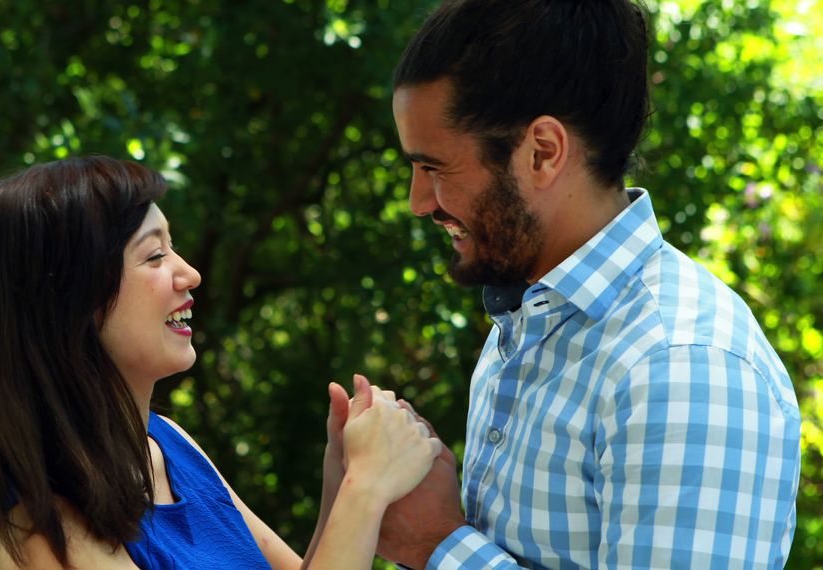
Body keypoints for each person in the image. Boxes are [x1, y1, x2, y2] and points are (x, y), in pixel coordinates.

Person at [331, 0, 802, 567]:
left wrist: (437, 544)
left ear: (543, 152)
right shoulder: (533, 318)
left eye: (434, 168)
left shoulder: (683, 366)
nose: (418, 202)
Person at [0, 155, 442, 569]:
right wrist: (366, 487)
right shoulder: (47, 535)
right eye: (153, 256)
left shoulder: (170, 445)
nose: (189, 274)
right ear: (68, 303)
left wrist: (340, 477)